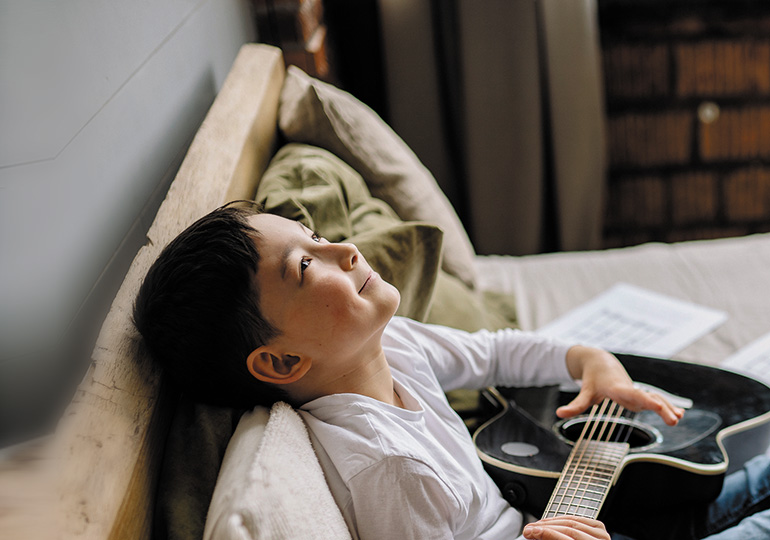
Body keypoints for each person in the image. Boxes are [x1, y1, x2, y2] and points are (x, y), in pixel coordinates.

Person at [133, 204, 769, 540]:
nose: (345, 249)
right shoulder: (387, 467)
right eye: (305, 266)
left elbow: (496, 351)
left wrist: (589, 362)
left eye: (316, 234)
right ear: (278, 361)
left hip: (549, 518)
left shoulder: (394, 345)